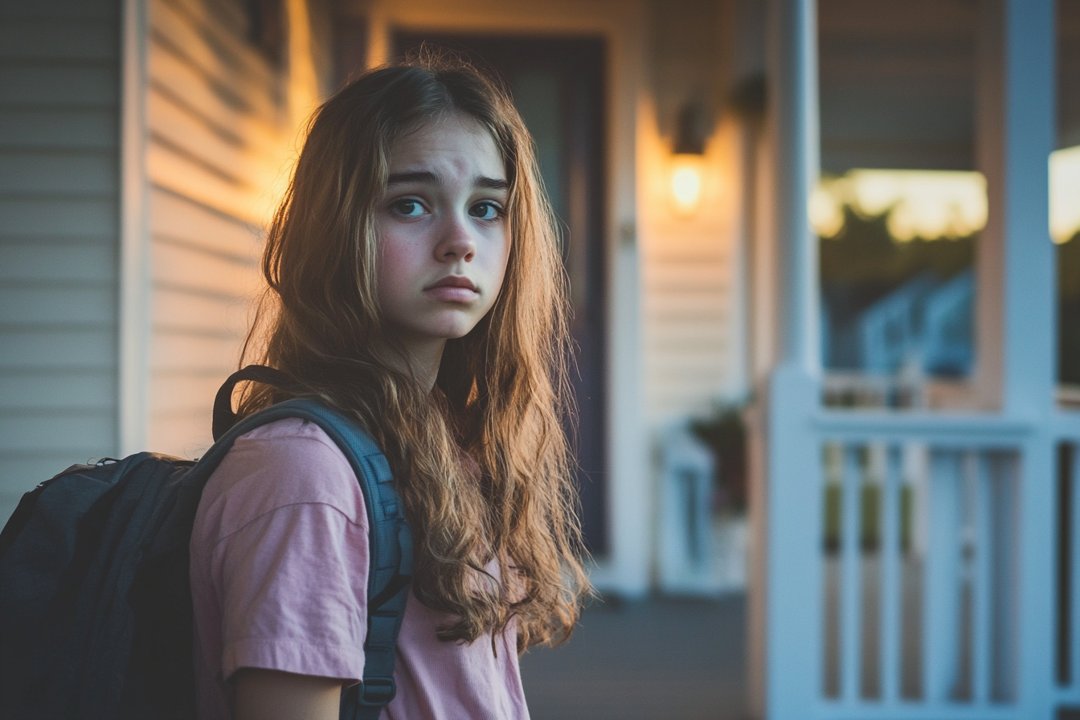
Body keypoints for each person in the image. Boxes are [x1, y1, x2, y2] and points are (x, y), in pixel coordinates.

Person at [188, 59, 592, 720]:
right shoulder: (306, 473)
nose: (460, 241)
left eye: (487, 208)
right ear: (336, 226)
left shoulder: (446, 437)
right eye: (410, 203)